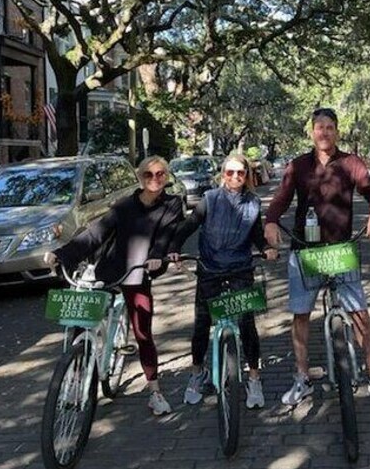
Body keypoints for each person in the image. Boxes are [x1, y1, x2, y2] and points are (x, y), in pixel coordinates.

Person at [264, 107, 370, 406]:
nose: (324, 132)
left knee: (360, 315)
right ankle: (302, 377)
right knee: (300, 315)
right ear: (312, 132)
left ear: (337, 131)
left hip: (341, 251)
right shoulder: (297, 166)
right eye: (319, 127)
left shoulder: (351, 163)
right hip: (306, 252)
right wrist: (271, 222)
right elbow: (280, 201)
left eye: (329, 127)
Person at [43, 156, 184, 416]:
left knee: (143, 333)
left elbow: (166, 234)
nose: (154, 179)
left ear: (167, 176)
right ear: (140, 177)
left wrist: (157, 257)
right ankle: (75, 377)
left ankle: (154, 391)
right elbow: (94, 235)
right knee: (80, 319)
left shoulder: (172, 204)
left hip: (139, 272)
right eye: (148, 175)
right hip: (110, 270)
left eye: (160, 174)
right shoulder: (124, 206)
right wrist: (61, 253)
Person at [168, 154, 278, 409]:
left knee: (247, 324)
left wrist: (266, 249)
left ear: (247, 176)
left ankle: (253, 377)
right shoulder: (209, 200)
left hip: (241, 268)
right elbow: (189, 225)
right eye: (230, 172)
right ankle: (197, 374)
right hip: (210, 269)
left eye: (241, 173)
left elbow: (256, 236)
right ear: (222, 174)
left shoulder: (253, 202)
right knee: (201, 324)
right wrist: (174, 247)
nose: (235, 177)